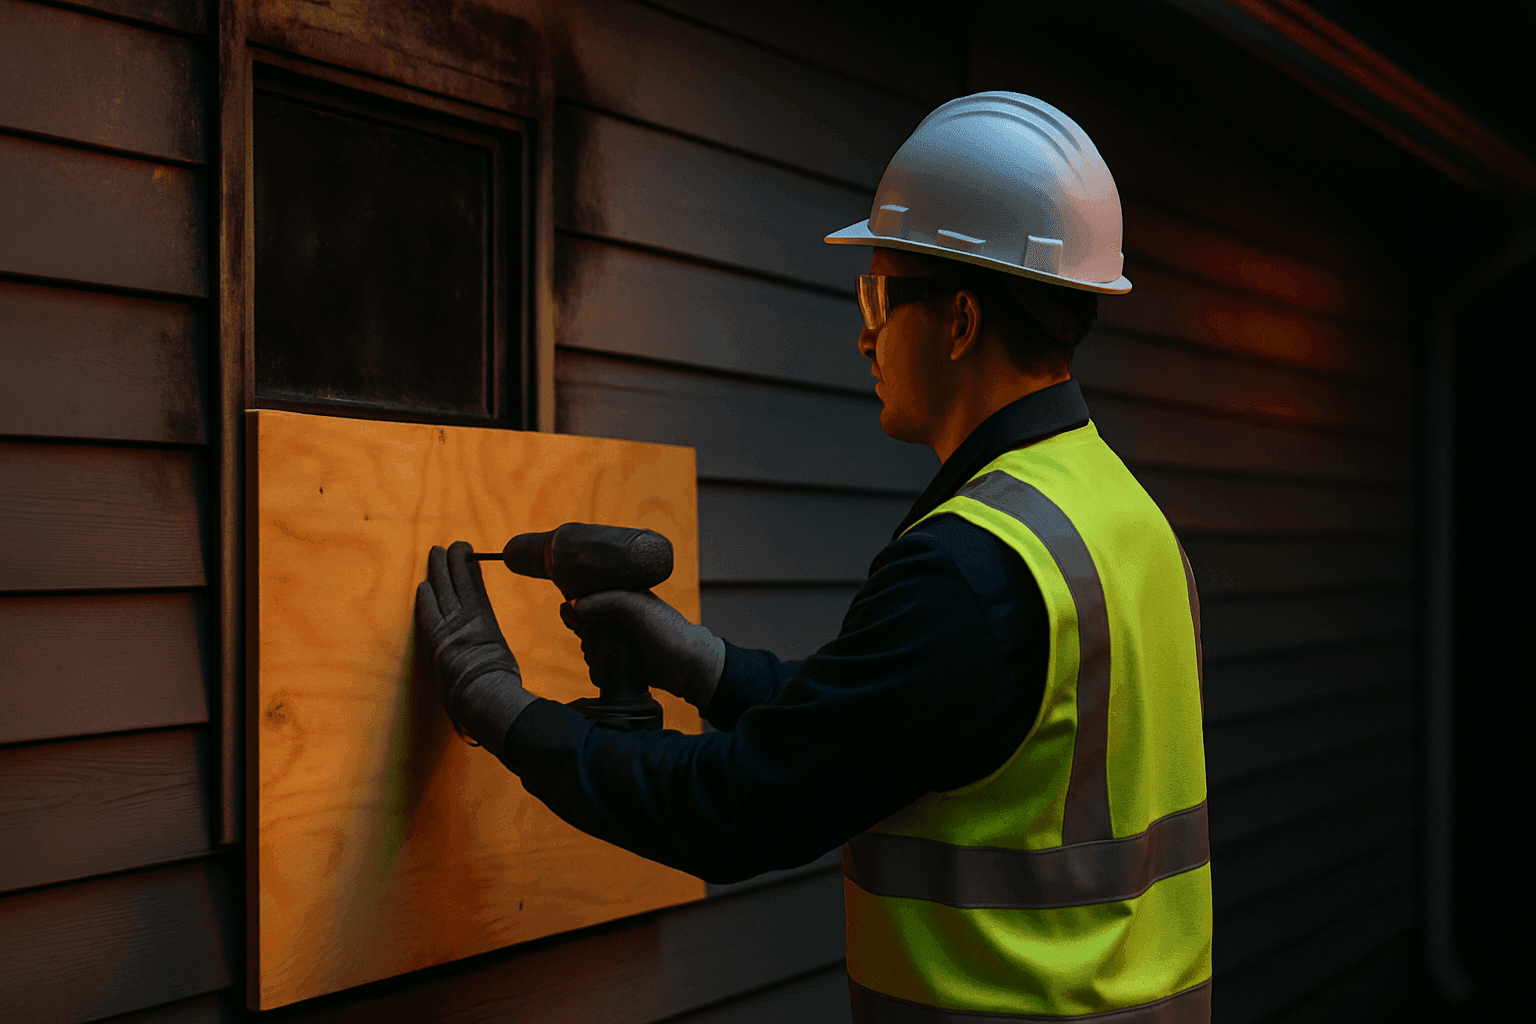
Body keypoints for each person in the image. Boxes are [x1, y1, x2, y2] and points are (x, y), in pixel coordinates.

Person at [417, 92, 1212, 1023]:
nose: (864, 333)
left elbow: (737, 809)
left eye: (879, 294)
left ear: (959, 321)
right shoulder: (1122, 516)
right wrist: (710, 670)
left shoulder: (971, 571)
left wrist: (499, 707)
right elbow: (913, 721)